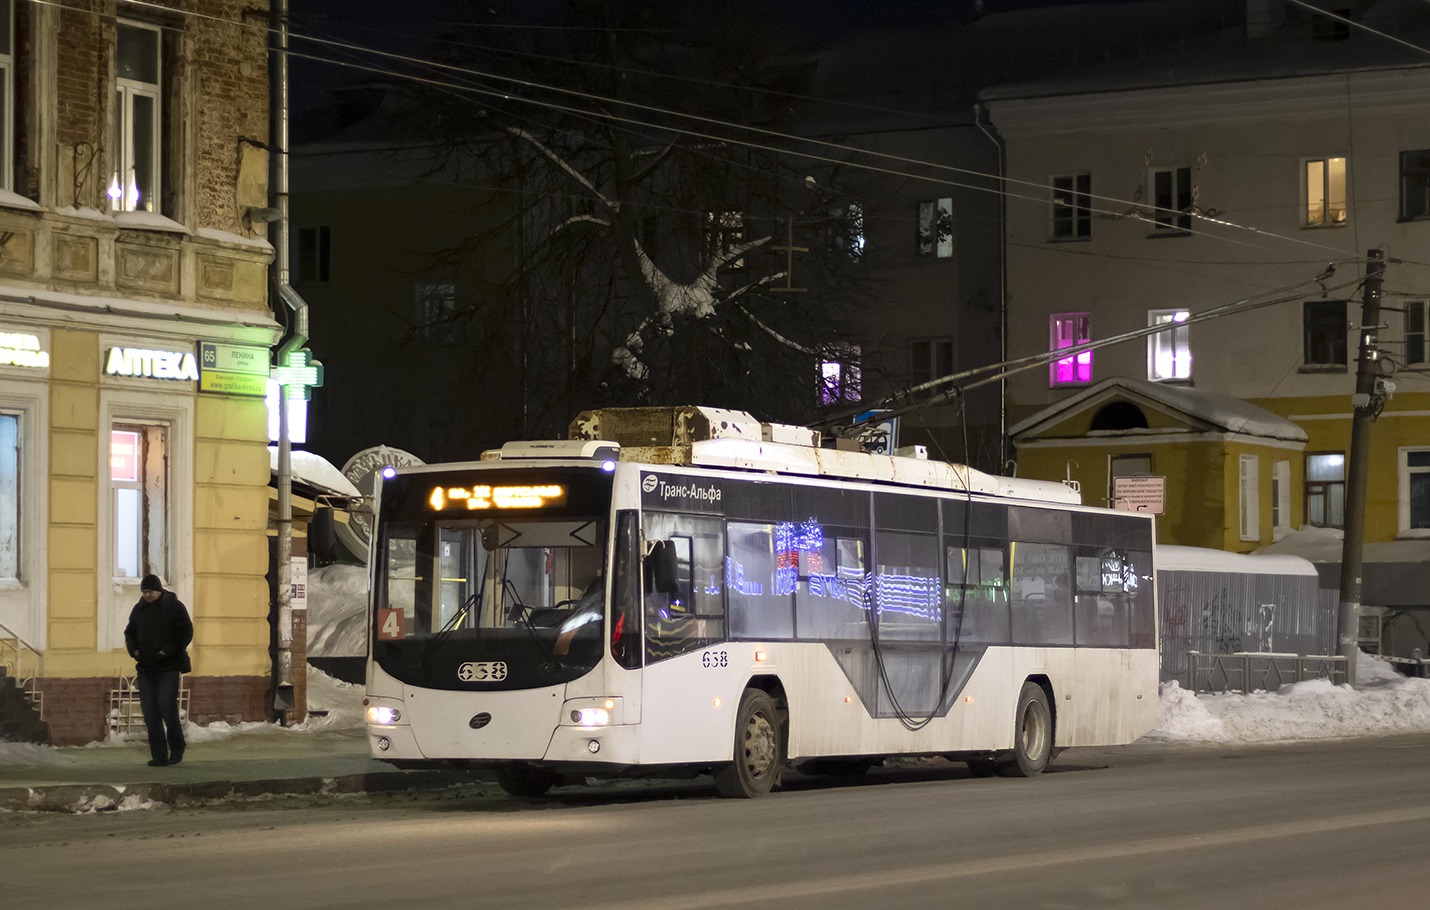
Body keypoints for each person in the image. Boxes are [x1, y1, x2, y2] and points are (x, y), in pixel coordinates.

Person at [123, 574, 193, 767]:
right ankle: (159, 755)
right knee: (150, 711)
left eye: (150, 592)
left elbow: (186, 632)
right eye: (144, 592)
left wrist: (167, 651)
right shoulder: (139, 609)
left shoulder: (174, 607)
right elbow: (130, 632)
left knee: (166, 705)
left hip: (168, 666)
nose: (147, 595)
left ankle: (177, 746)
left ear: (159, 590)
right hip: (146, 667)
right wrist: (134, 650)